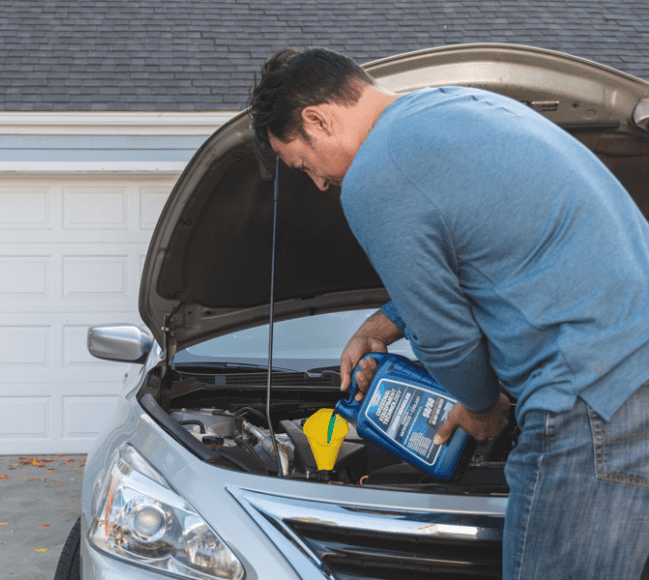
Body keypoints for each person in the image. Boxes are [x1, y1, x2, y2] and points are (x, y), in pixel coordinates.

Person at [249, 47, 649, 580]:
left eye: (304, 164)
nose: (319, 183)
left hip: (595, 396)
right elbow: (499, 244)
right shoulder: (460, 108)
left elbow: (445, 335)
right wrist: (386, 321)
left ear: (317, 120)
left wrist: (481, 407)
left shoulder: (375, 173)